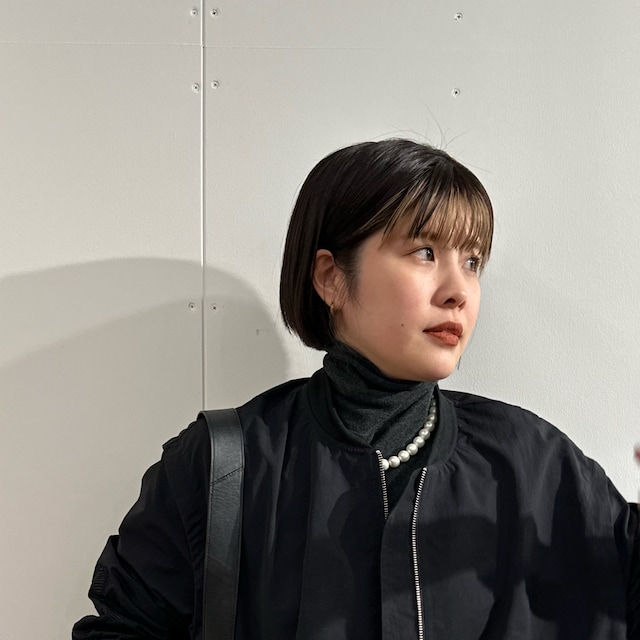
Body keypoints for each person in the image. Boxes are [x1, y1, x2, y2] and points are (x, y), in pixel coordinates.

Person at [73, 139, 640, 639]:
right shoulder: (224, 464)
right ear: (330, 277)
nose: (459, 291)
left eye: (472, 261)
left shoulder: (533, 463)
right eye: (425, 252)